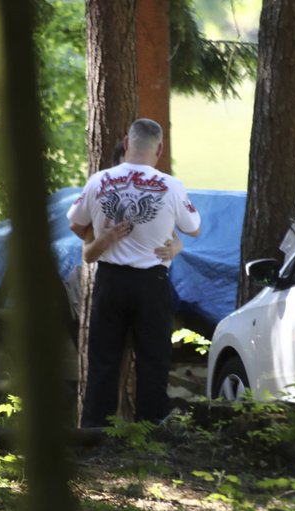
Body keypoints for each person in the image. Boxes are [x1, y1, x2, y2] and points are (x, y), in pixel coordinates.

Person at [68, 118, 201, 427]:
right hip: (151, 282)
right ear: (160, 149)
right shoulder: (172, 185)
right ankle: (150, 429)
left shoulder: (99, 180)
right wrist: (168, 240)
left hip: (111, 279)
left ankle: (94, 431)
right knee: (153, 359)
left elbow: (75, 223)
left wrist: (103, 234)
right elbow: (194, 228)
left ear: (127, 144)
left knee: (103, 359)